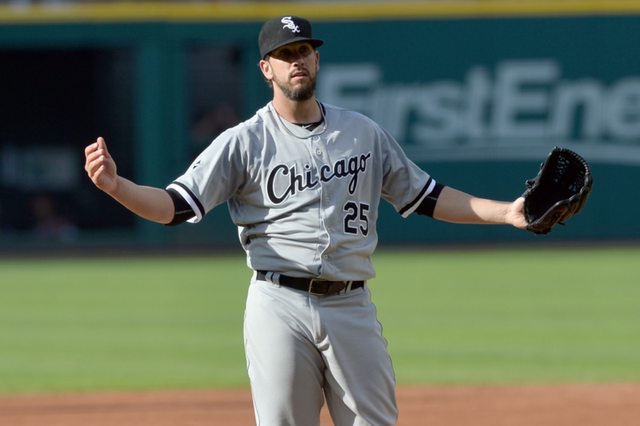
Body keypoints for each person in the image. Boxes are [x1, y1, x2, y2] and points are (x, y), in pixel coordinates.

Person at [84, 15, 528, 426]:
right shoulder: (244, 142)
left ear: (316, 60)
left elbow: (427, 196)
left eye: (304, 51)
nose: (297, 60)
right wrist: (117, 186)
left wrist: (508, 212)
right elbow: (173, 206)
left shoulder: (362, 132)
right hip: (279, 304)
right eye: (285, 54)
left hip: (351, 303)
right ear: (266, 69)